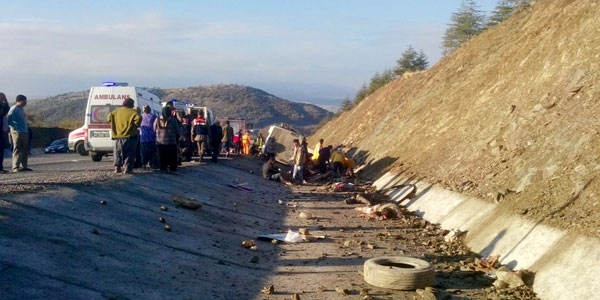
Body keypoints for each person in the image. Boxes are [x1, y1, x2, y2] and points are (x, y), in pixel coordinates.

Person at [107, 97, 141, 174]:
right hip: (130, 137)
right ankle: (128, 169)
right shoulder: (133, 112)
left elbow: (108, 118)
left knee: (118, 152)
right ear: (131, 104)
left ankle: (117, 167)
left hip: (117, 136)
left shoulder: (115, 112)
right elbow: (138, 121)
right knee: (130, 153)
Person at [7, 95, 31, 172]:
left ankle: (23, 166)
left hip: (24, 131)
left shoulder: (21, 109)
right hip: (17, 132)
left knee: (24, 149)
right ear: (19, 101)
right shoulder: (14, 109)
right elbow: (9, 121)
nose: (25, 102)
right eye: (24, 101)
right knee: (17, 148)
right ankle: (15, 167)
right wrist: (16, 129)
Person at [154, 106, 179, 173]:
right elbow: (177, 130)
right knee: (172, 157)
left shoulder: (157, 119)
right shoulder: (173, 120)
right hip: (171, 142)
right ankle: (172, 168)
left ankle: (163, 168)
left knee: (162, 156)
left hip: (160, 141)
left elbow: (154, 129)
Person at [139, 105, 157, 169]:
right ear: (149, 109)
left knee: (143, 152)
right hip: (152, 137)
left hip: (143, 137)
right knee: (153, 151)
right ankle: (152, 163)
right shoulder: (154, 116)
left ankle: (143, 164)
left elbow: (138, 127)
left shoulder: (140, 117)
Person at [0, 93, 10, 173]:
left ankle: (0, 167)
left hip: (2, 130)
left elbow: (6, 110)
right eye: (2, 97)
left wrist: (5, 102)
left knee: (1, 150)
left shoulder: (2, 105)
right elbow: (3, 112)